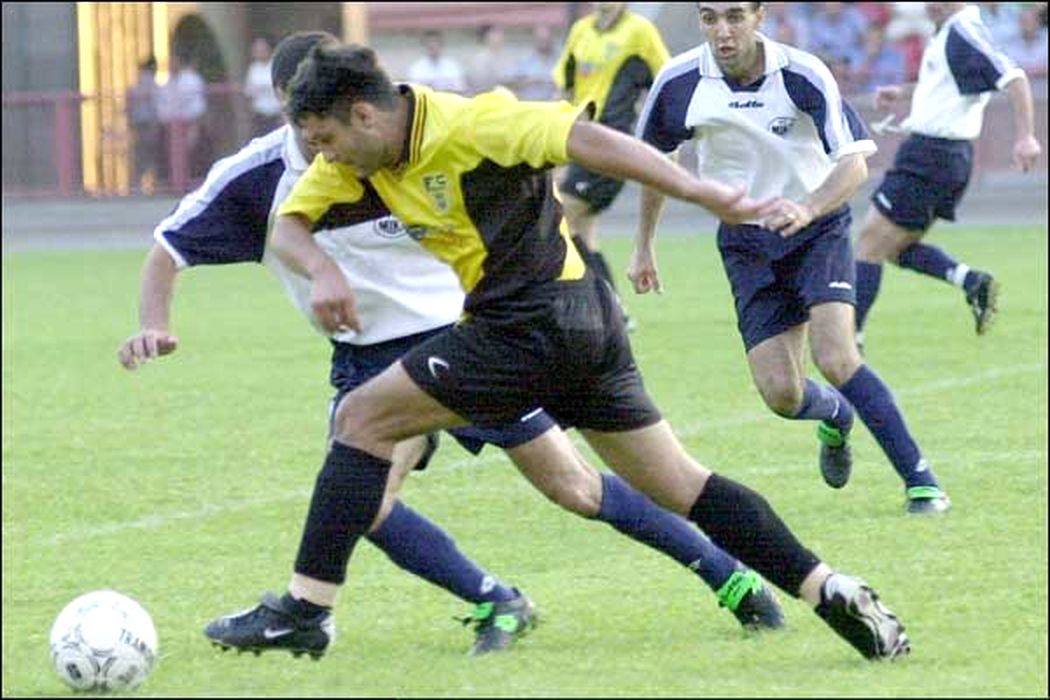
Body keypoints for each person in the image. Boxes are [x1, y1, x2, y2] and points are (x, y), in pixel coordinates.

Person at [202, 39, 912, 663]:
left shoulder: (471, 123)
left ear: (364, 114)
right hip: (579, 325)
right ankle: (828, 589)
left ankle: (306, 612)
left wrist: (697, 189)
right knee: (682, 485)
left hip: (528, 322)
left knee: (361, 419)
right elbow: (289, 223)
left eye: (325, 139)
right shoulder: (357, 160)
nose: (320, 155)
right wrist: (322, 269)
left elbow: (586, 140)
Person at [630, 2, 952, 515]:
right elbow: (653, 161)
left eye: (735, 16)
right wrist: (644, 244)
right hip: (745, 244)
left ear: (759, 16)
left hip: (816, 229)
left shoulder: (802, 73)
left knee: (836, 356)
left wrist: (808, 208)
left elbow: (854, 164)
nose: (722, 31)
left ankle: (922, 482)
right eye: (710, 18)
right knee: (781, 395)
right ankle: (837, 416)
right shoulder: (680, 81)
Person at [852, 3, 1042, 345]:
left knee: (868, 244)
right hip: (943, 156)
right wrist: (904, 91)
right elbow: (945, 83)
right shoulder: (948, 31)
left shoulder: (962, 31)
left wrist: (1026, 136)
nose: (929, 4)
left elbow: (1014, 77)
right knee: (897, 247)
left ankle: (851, 345)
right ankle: (971, 281)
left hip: (930, 155)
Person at [552, 2, 671, 329]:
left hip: (611, 144)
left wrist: (656, 130)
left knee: (561, 216)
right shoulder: (581, 31)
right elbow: (565, 87)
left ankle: (600, 307)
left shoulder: (639, 32)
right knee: (583, 233)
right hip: (578, 142)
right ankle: (615, 311)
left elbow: (665, 80)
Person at [127, 56, 161, 193]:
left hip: (141, 124)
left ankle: (138, 186)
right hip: (147, 124)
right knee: (149, 155)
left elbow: (129, 107)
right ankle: (151, 185)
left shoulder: (136, 86)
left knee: (142, 155)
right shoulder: (152, 85)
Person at [244, 37, 283, 136]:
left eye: (262, 50)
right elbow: (249, 91)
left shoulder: (275, 66)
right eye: (257, 51)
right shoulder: (253, 69)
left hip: (276, 113)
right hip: (260, 113)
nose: (260, 53)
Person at [509, 25, 560, 101]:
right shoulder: (524, 60)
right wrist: (529, 81)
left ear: (551, 39)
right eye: (541, 39)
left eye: (546, 39)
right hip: (529, 104)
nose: (543, 43)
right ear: (535, 39)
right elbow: (511, 84)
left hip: (552, 104)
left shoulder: (559, 60)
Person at [465, 24, 515, 95]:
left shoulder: (507, 57)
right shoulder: (479, 59)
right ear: (486, 37)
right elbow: (479, 84)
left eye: (500, 33)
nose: (500, 36)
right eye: (495, 33)